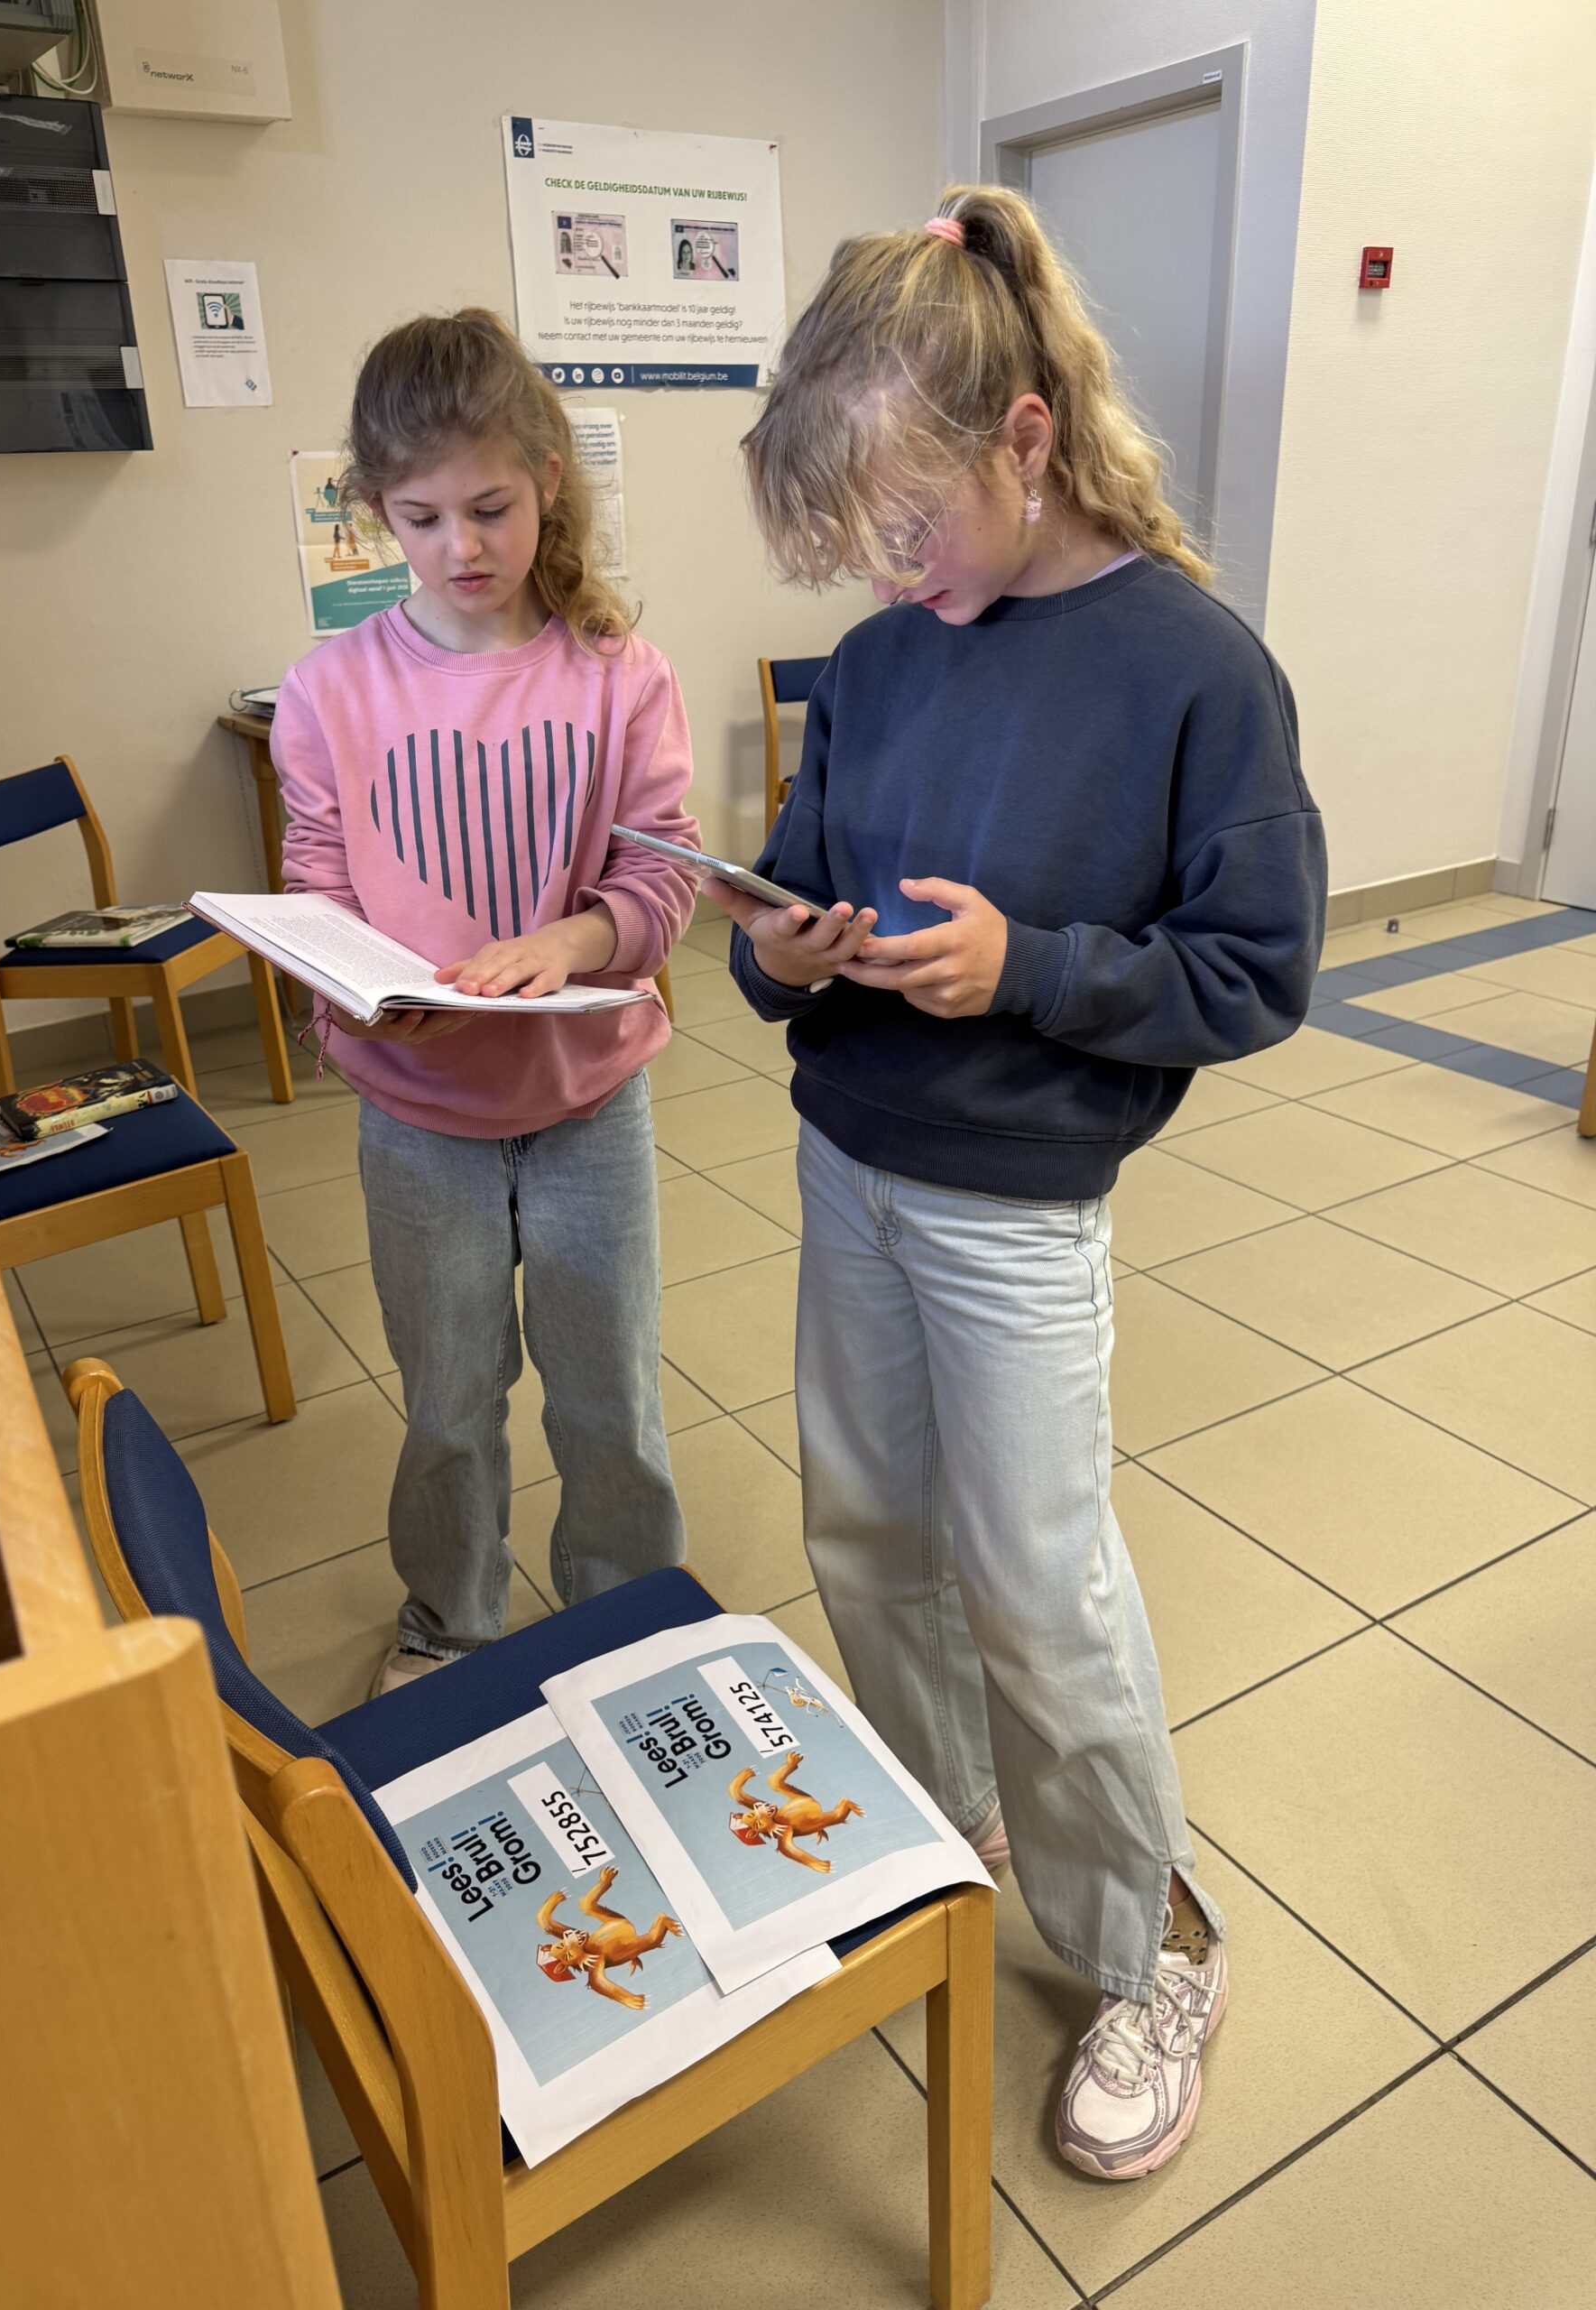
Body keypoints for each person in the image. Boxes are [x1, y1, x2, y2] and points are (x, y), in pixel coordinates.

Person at [711, 186, 1325, 2181]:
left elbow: (1255, 974)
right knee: (867, 1530)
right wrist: (780, 946)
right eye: (859, 541)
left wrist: (1030, 970)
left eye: (912, 521)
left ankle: (1152, 1944)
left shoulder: (1193, 669)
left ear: (1028, 439)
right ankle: (955, 1813)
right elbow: (793, 885)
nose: (893, 570)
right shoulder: (882, 658)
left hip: (1016, 1210)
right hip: (850, 1158)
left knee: (1041, 1591)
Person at [272, 310, 698, 1698]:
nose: (461, 546)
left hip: (587, 1102)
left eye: (492, 509)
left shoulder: (620, 675)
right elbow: (317, 884)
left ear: (547, 483)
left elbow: (662, 873)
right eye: (422, 517)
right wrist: (352, 990)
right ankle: (450, 1624)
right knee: (449, 1400)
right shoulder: (329, 690)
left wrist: (573, 940)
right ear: (375, 512)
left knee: (610, 1392)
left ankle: (629, 1622)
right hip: (417, 1116)